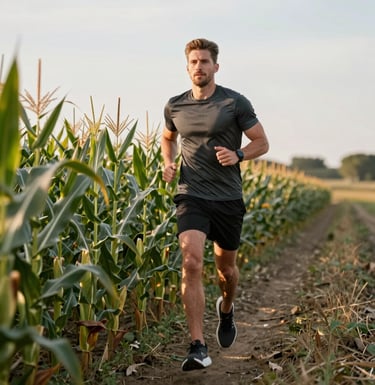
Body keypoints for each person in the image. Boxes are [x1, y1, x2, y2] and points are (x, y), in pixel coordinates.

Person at [161, 38, 269, 371]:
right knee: (191, 262)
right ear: (187, 66)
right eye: (194, 62)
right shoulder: (175, 106)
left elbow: (261, 142)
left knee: (227, 271)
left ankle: (227, 308)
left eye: (205, 61)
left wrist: (238, 154)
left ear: (215, 67)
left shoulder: (234, 103)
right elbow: (169, 138)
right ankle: (197, 346)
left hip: (227, 198)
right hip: (191, 194)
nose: (199, 67)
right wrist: (167, 161)